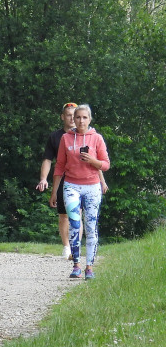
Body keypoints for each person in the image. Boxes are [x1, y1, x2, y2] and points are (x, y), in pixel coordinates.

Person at [36, 102, 107, 258]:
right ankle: (67, 246)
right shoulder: (58, 137)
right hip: (65, 180)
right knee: (64, 214)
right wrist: (44, 180)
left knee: (78, 215)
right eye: (71, 116)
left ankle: (77, 250)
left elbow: (97, 162)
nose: (75, 119)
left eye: (82, 117)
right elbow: (50, 160)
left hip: (87, 182)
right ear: (63, 117)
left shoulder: (93, 137)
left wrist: (102, 181)